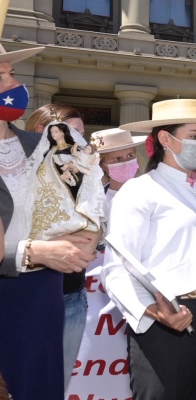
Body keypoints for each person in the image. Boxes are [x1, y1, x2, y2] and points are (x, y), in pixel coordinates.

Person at [101, 99, 196, 399]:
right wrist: (154, 311)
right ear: (166, 139)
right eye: (195, 136)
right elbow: (116, 268)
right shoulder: (139, 191)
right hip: (168, 316)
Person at [0, 43, 97, 399]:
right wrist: (31, 251)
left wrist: (86, 232)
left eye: (11, 72)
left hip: (42, 300)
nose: (12, 83)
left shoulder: (40, 149)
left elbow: (72, 216)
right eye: (1, 75)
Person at [24, 104, 92, 390]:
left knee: (54, 389)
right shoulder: (15, 176)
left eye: (82, 133)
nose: (80, 141)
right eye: (73, 132)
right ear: (43, 133)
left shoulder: (79, 177)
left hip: (71, 298)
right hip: (24, 299)